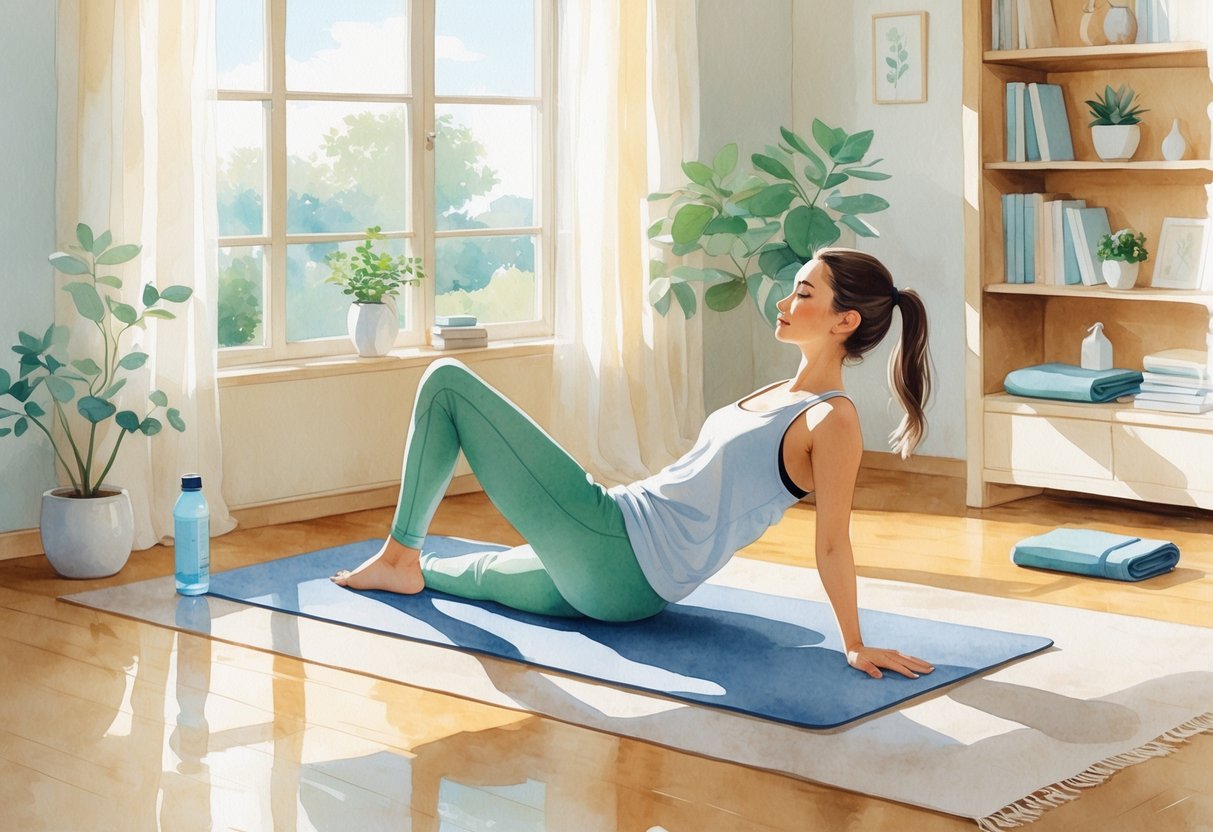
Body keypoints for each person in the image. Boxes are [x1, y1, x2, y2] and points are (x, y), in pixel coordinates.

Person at [333, 247, 934, 680]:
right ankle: (407, 564)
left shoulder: (833, 420)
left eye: (804, 293)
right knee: (466, 574)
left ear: (844, 320)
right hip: (626, 585)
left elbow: (833, 543)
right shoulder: (784, 392)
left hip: (617, 547)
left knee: (446, 380)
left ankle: (396, 551)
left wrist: (854, 644)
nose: (784, 299)